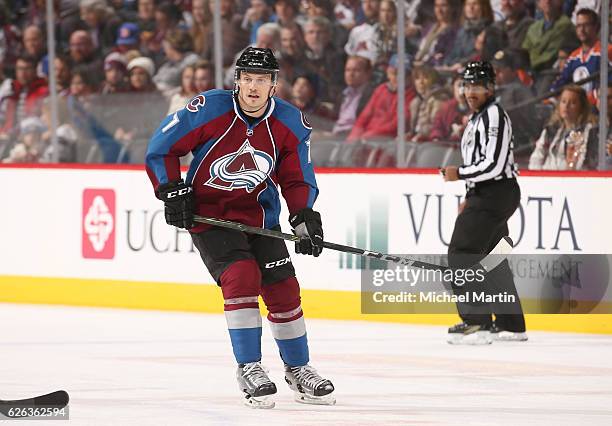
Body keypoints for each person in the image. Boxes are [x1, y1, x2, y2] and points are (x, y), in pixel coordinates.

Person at [145, 47, 335, 408]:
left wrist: (304, 215)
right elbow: (161, 148)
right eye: (247, 78)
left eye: (261, 79)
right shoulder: (210, 109)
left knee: (284, 288)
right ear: (237, 82)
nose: (252, 86)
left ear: (273, 85)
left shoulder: (290, 123)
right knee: (242, 277)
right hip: (211, 219)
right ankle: (249, 368)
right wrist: (171, 189)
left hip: (261, 220)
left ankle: (299, 368)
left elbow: (296, 177)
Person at [440, 61, 527, 345]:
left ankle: (476, 322)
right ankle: (511, 325)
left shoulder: (494, 116)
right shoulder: (478, 118)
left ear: (490, 88)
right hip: (489, 194)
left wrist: (459, 174)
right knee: (493, 260)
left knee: (462, 252)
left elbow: (494, 164)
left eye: (478, 85)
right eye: (467, 85)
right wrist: (469, 195)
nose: (471, 91)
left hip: (495, 192)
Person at [529, 85, 598, 170]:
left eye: (573, 102)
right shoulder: (551, 130)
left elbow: (585, 162)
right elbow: (537, 157)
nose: (566, 106)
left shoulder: (589, 131)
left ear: (582, 107)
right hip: (547, 177)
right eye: (564, 101)